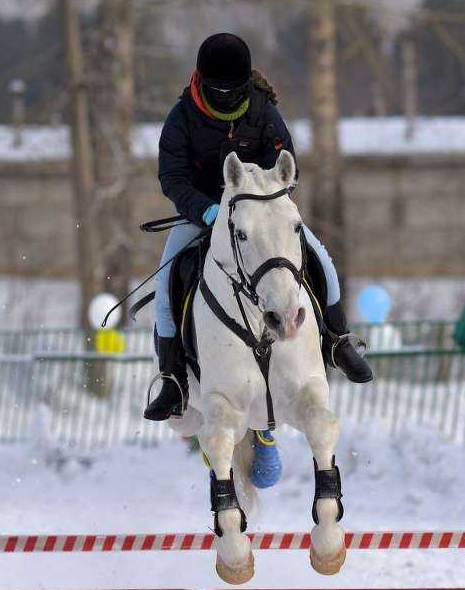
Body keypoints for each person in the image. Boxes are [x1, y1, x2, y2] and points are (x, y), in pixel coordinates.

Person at [145, 32, 372, 422]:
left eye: (234, 89)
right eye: (219, 89)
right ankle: (174, 377)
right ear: (202, 81)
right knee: (166, 284)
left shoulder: (263, 110)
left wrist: (262, 196)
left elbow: (286, 161)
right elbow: (173, 177)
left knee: (321, 260)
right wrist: (208, 210)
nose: (228, 97)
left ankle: (337, 340)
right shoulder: (181, 117)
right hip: (204, 215)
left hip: (260, 210)